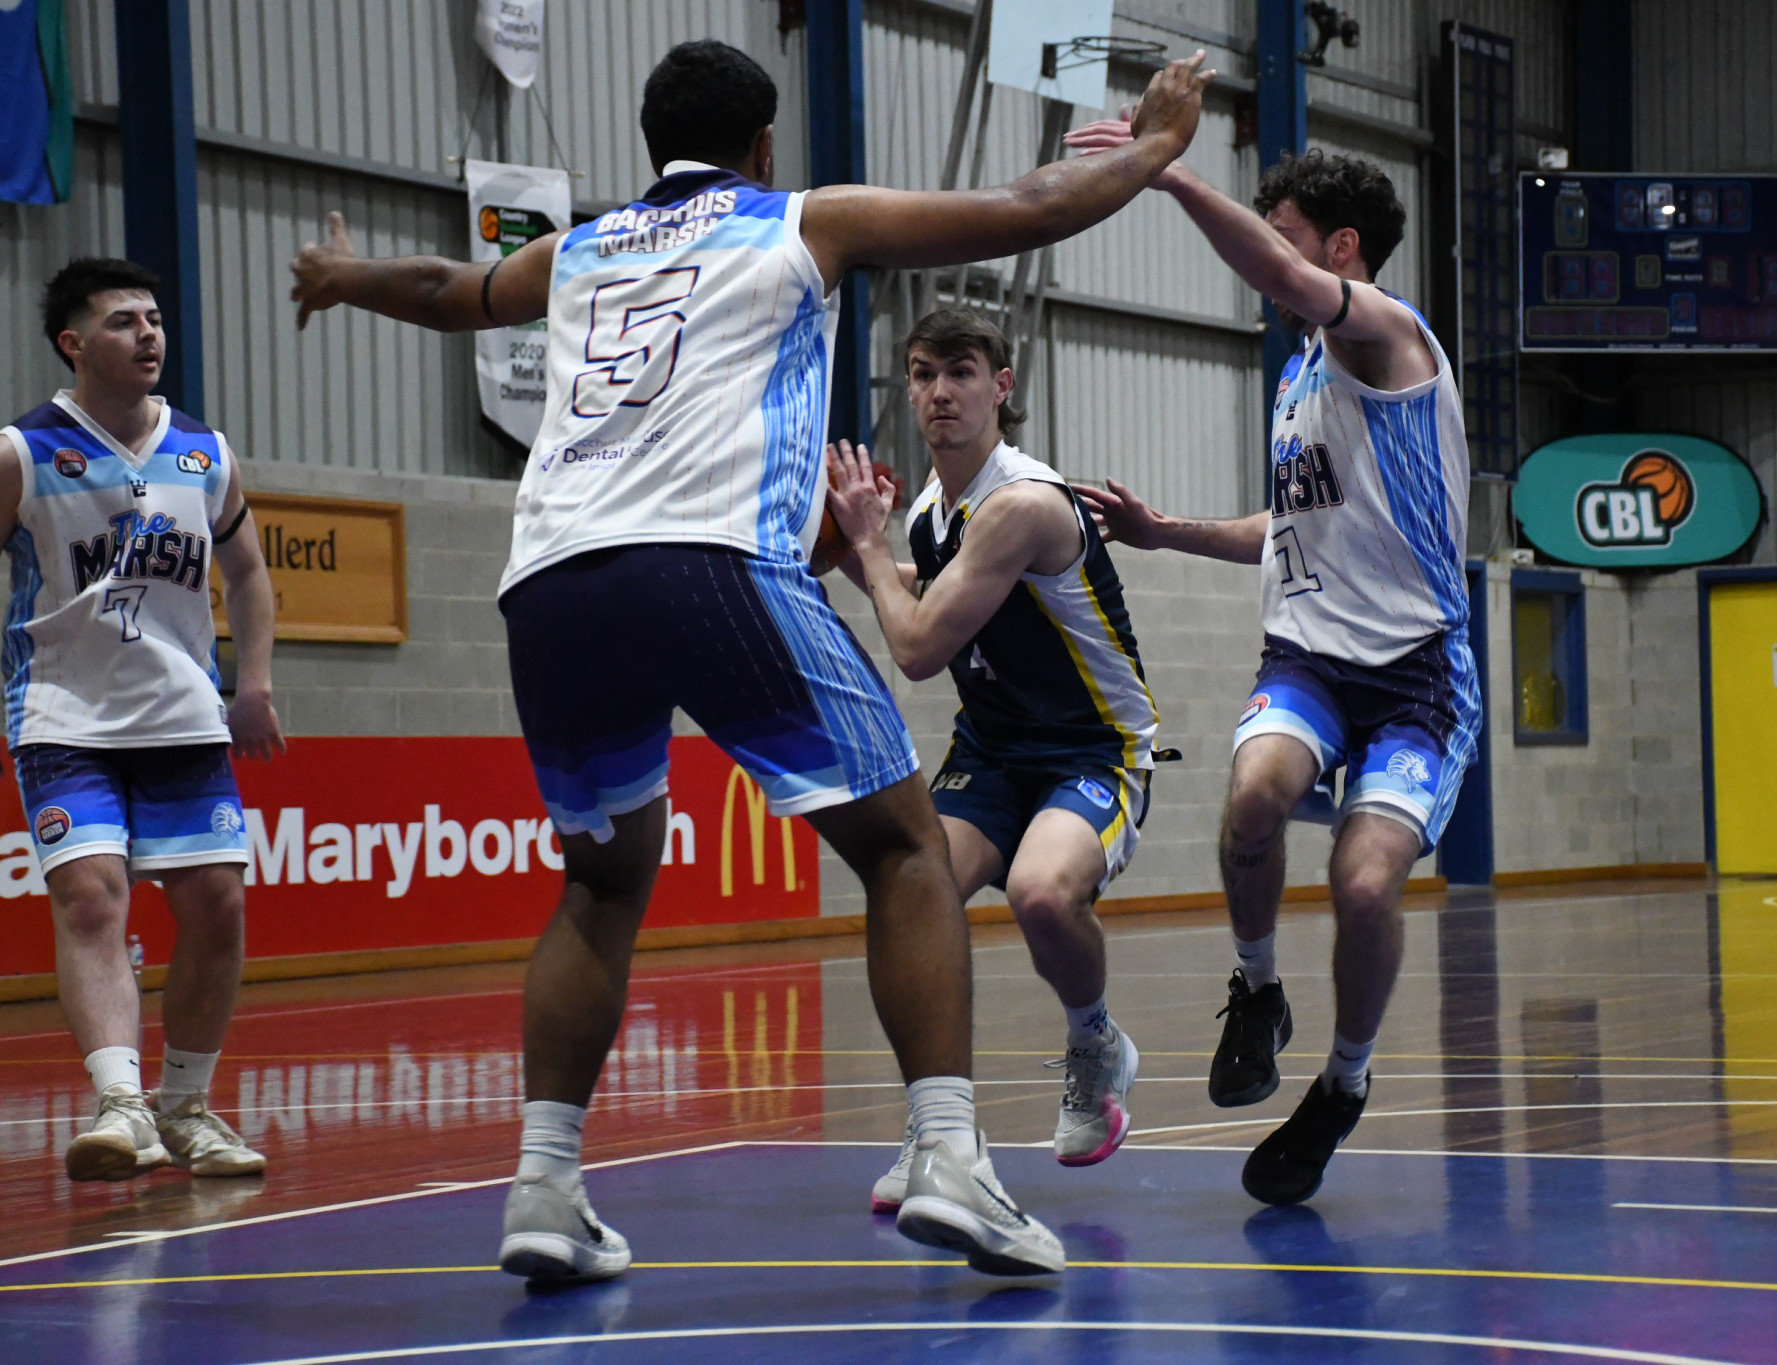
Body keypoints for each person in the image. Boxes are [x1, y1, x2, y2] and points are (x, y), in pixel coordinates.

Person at [289, 40, 1213, 1282]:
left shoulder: (582, 248)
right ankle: (948, 1156)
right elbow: (1029, 205)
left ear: (646, 142)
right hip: (707, 561)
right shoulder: (800, 219)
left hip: (550, 578)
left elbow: (448, 286)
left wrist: (344, 278)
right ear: (763, 144)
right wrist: (1155, 144)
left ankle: (545, 1189)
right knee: (901, 852)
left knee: (601, 885)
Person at [1062, 126, 1480, 1205]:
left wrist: (1164, 168)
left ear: (1340, 250)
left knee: (1363, 878)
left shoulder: (1385, 336)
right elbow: (1291, 529)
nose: (1266, 264)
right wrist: (1168, 534)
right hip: (1308, 656)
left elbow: (1276, 270)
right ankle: (1256, 991)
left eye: (1284, 237)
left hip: (1415, 673)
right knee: (1252, 796)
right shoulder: (1301, 376)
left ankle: (1340, 1085)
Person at [827, 309, 1157, 1205]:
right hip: (993, 750)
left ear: (1001, 388)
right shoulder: (936, 510)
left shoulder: (1022, 504)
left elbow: (919, 648)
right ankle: (940, 1125)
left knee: (1041, 894)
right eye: (923, 373)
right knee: (912, 885)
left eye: (962, 372)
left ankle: (1095, 1041)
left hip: (1093, 747)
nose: (940, 392)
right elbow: (914, 593)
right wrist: (841, 542)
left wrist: (861, 542)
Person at [1, 258, 284, 1184]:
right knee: (91, 898)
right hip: (62, 714)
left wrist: (256, 684)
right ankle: (121, 1105)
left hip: (183, 715)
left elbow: (245, 572)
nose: (150, 334)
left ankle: (189, 1106)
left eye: (155, 318)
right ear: (74, 344)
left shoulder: (205, 450)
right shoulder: (24, 452)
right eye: (125, 322)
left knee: (218, 906)